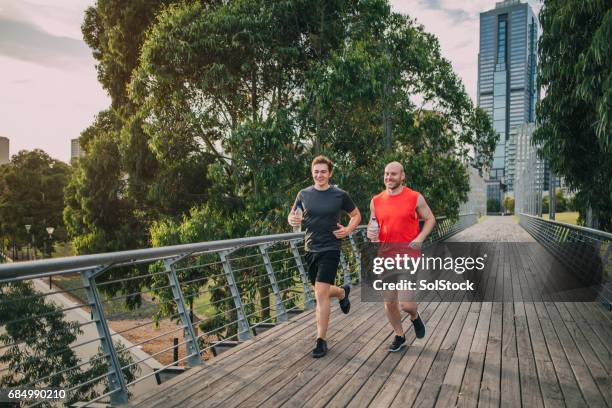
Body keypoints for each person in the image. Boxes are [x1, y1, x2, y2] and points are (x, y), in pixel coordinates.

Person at [288, 155, 361, 358]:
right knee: (321, 290)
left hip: (331, 248)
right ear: (312, 173)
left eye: (323, 171)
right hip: (310, 248)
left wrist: (347, 230)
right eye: (316, 171)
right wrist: (291, 218)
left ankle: (321, 340)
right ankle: (341, 293)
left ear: (329, 173)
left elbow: (356, 215)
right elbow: (293, 215)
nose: (319, 175)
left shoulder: (340, 195)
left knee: (320, 293)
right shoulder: (303, 194)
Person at [367, 161, 436, 352]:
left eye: (393, 174)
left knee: (406, 304)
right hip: (386, 257)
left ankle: (414, 316)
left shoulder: (415, 197)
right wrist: (371, 235)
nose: (389, 177)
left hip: (408, 255)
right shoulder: (376, 201)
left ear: (402, 176)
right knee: (389, 302)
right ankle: (399, 335)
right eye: (386, 174)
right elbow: (373, 227)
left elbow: (430, 219)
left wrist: (421, 238)